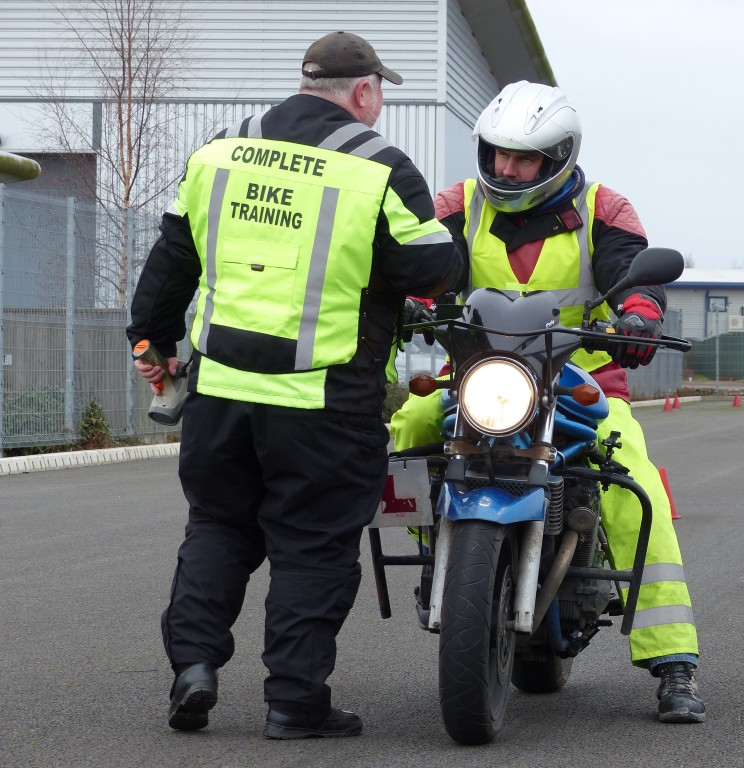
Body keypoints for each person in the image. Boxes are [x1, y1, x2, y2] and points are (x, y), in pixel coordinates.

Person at [127, 32, 461, 739]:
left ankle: (193, 667)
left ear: (307, 82)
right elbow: (431, 270)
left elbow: (170, 263)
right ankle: (294, 702)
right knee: (313, 546)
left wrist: (151, 341)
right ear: (365, 91)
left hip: (219, 393)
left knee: (218, 525)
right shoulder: (380, 167)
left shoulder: (219, 152)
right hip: (323, 402)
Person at [390, 81, 705, 723]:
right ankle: (437, 550)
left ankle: (674, 662)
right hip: (478, 380)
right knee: (409, 427)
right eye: (499, 153)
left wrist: (639, 316)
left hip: (580, 384)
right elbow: (423, 264)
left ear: (559, 154)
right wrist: (412, 299)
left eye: (524, 158)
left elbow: (632, 273)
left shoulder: (603, 208)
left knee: (633, 480)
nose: (507, 168)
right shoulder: (459, 205)